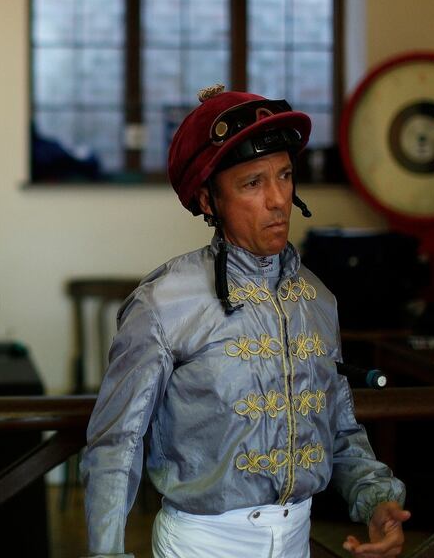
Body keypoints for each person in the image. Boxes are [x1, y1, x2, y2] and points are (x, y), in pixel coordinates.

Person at [81, 85, 410, 558]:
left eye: (285, 175)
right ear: (208, 200)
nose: (277, 199)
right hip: (203, 544)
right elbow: (118, 443)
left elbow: (339, 428)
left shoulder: (317, 299)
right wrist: (106, 552)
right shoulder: (164, 304)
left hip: (297, 539)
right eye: (252, 183)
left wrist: (376, 499)